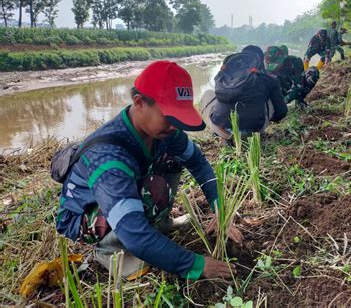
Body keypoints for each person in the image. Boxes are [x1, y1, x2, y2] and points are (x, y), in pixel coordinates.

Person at [55, 61, 243, 280]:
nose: (174, 126)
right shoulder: (109, 156)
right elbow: (136, 234)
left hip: (121, 192)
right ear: (139, 102)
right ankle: (108, 249)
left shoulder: (164, 132)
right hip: (83, 216)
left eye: (178, 118)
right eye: (169, 117)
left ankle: (160, 224)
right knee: (150, 194)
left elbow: (198, 162)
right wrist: (195, 264)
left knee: (173, 159)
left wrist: (220, 209)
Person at [201, 45, 288, 142]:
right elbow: (282, 112)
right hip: (255, 130)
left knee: (208, 93)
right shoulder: (268, 79)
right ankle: (248, 133)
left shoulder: (223, 75)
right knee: (269, 97)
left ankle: (221, 132)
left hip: (221, 129)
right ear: (260, 61)